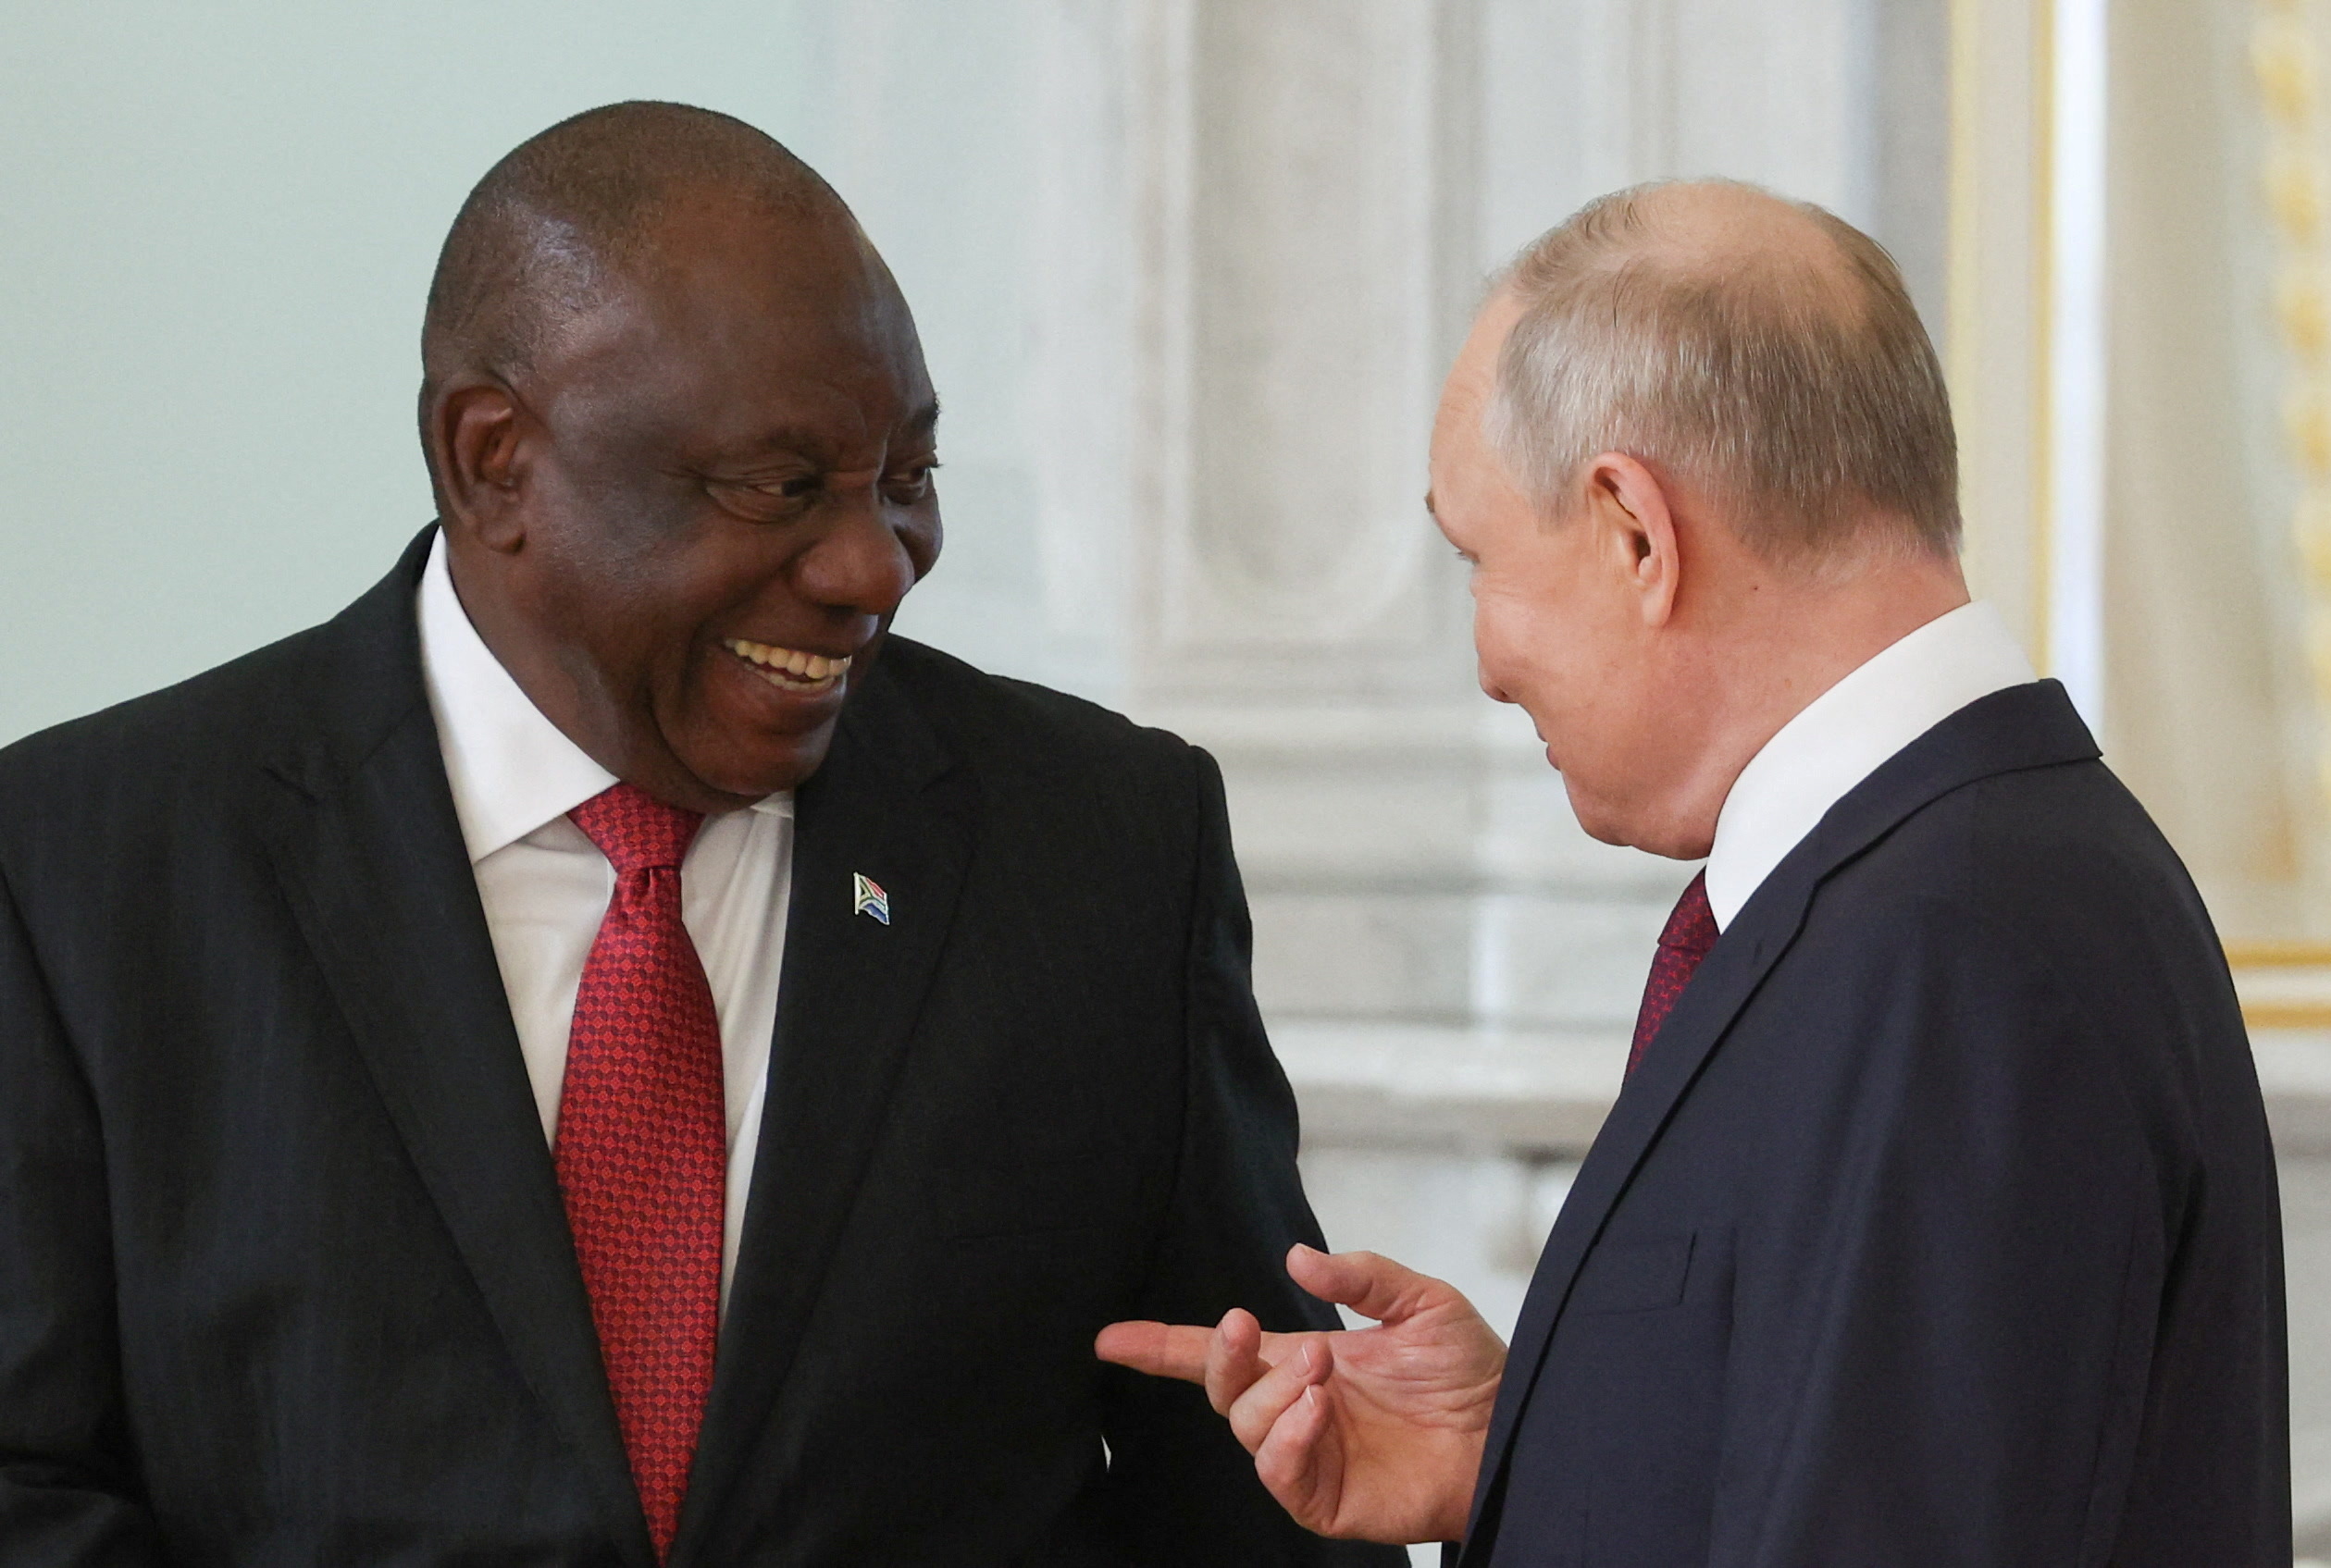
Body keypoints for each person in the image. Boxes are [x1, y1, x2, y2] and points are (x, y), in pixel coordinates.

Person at [0, 102, 1402, 1568]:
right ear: (492, 461)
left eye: (904, 480)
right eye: (777, 488)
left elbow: (1261, 1476)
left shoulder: (1099, 843)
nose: (873, 567)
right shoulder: (85, 865)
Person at [1099, 179, 2291, 1564]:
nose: (1485, 664)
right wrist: (1536, 1451)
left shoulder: (1950, 950)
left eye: (1479, 560)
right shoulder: (1947, 883)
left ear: (1635, 532)